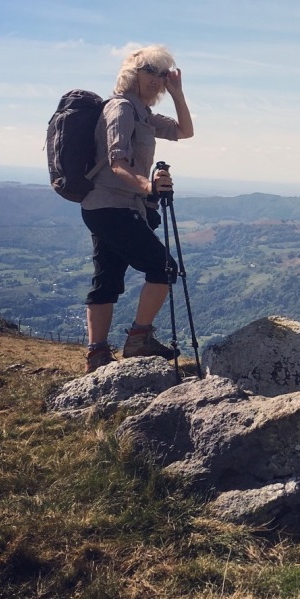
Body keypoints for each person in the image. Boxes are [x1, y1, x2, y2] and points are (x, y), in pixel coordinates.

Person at [81, 45, 194, 372]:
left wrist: (177, 93)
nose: (158, 80)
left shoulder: (142, 112)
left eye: (163, 74)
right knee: (165, 269)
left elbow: (185, 131)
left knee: (107, 279)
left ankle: (97, 354)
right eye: (151, 71)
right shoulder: (121, 109)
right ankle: (138, 340)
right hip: (112, 207)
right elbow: (118, 164)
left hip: (111, 208)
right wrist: (149, 187)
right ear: (132, 71)